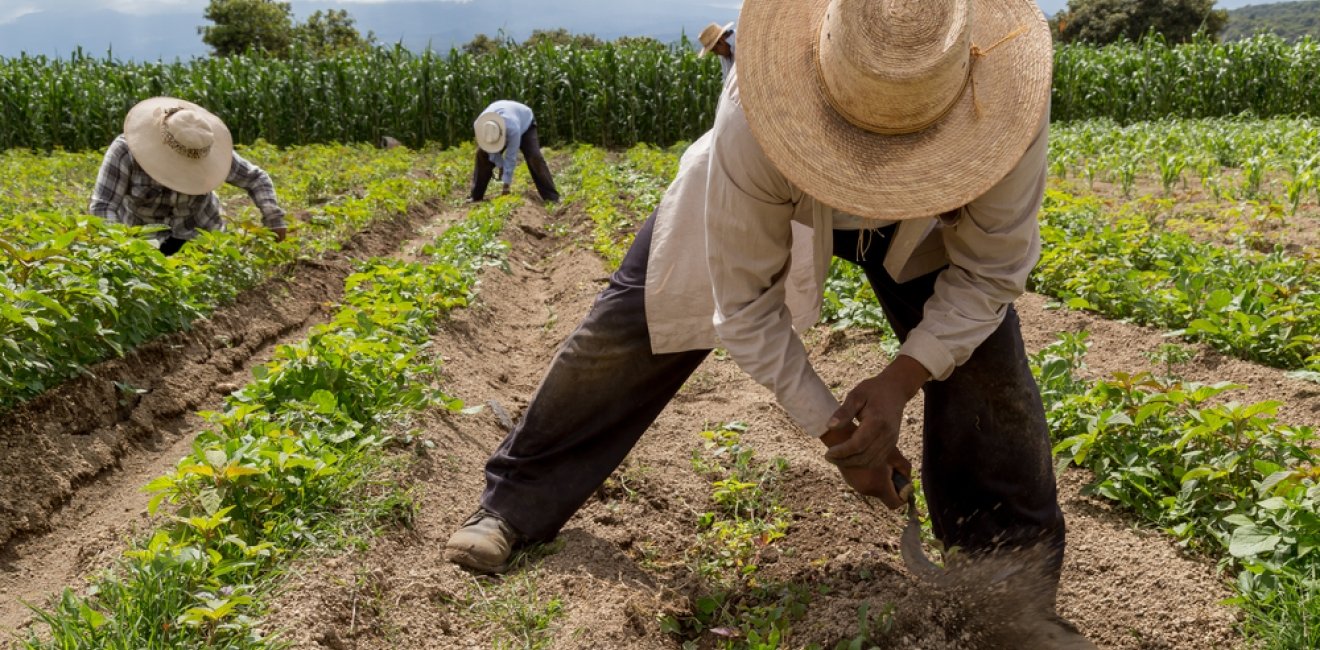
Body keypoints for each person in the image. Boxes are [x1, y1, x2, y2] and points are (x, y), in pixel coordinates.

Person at [448, 1, 1081, 640]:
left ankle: (1008, 598)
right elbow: (744, 305)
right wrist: (835, 431)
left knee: (987, 373)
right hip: (784, 178)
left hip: (932, 219)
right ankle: (513, 504)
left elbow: (988, 276)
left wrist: (899, 381)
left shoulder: (1006, 97)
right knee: (635, 327)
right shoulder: (757, 114)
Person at [89, 97, 287, 256]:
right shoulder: (126, 151)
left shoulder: (204, 148)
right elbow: (103, 206)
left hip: (201, 236)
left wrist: (274, 219)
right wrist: (121, 249)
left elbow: (256, 179)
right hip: (144, 242)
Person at [469, 100, 560, 204]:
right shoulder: (480, 125)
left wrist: (506, 185)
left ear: (502, 135)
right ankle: (476, 196)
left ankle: (552, 198)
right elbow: (491, 150)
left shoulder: (513, 129)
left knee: (534, 157)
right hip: (505, 121)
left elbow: (511, 157)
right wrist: (500, 165)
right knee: (482, 155)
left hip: (526, 123)